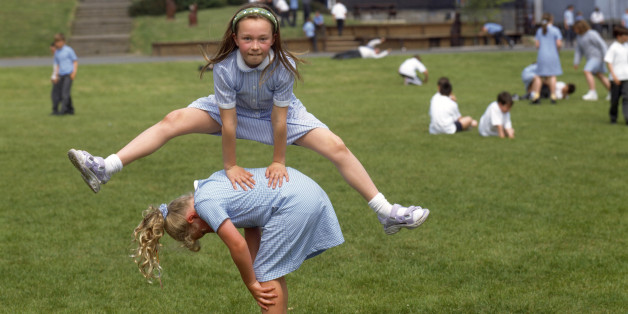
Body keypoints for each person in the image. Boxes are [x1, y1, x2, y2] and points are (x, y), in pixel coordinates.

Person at [68, 3, 430, 235]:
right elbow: (228, 123)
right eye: (247, 39)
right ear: (236, 39)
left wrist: (278, 160)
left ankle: (386, 212)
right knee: (173, 119)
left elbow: (279, 120)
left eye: (262, 39)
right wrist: (230, 166)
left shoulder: (282, 68)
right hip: (233, 112)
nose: (255, 46)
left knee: (337, 146)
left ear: (273, 39)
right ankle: (106, 167)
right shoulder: (225, 70)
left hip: (278, 115)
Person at [132, 167, 348, 313]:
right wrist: (257, 271)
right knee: (268, 270)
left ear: (192, 218)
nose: (210, 231)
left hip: (293, 201)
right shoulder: (209, 185)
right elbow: (252, 223)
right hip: (302, 188)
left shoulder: (205, 203)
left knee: (267, 273)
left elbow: (237, 244)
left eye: (202, 232)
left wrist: (252, 283)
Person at [573, 20, 610, 101]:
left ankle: (592, 93)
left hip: (598, 57)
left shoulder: (592, 34)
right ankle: (612, 93)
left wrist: (606, 56)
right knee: (599, 75)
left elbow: (602, 44)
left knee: (587, 71)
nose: (575, 31)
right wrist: (576, 62)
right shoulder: (579, 37)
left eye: (576, 29)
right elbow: (578, 50)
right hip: (590, 58)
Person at [531, 13, 563, 104]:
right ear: (551, 19)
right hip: (553, 55)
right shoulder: (556, 30)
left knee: (538, 76)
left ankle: (536, 96)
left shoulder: (539, 31)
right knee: (552, 75)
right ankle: (553, 96)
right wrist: (558, 51)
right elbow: (559, 44)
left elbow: (537, 45)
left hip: (542, 55)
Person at [604, 26, 628, 124]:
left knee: (627, 98)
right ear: (619, 36)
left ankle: (627, 118)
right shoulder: (613, 47)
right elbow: (609, 62)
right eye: (625, 35)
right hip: (616, 78)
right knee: (615, 100)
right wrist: (614, 76)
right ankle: (613, 118)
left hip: (626, 77)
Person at [51, 33, 77, 115]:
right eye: (56, 42)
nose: (57, 44)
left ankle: (63, 111)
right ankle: (70, 109)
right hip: (61, 74)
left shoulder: (68, 50)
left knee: (65, 93)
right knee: (61, 93)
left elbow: (75, 61)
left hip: (68, 74)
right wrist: (55, 75)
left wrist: (74, 72)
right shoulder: (57, 52)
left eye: (59, 42)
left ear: (63, 42)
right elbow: (57, 64)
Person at [49, 42, 60, 116]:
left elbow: (58, 68)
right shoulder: (56, 56)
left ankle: (55, 110)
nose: (51, 51)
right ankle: (68, 109)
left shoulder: (58, 56)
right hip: (57, 77)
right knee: (63, 95)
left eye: (52, 49)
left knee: (54, 95)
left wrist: (55, 77)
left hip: (58, 77)